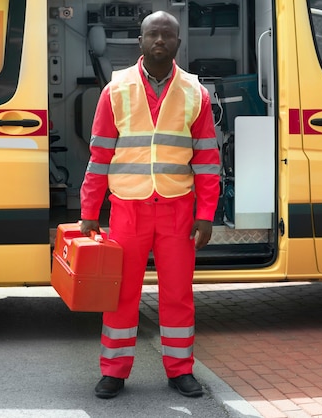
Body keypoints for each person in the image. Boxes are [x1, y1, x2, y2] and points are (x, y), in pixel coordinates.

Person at [80, 10, 220, 399]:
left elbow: (208, 159)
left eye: (167, 35)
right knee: (121, 294)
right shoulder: (117, 89)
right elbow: (99, 156)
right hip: (128, 208)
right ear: (140, 42)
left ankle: (180, 371)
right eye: (152, 35)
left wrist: (205, 215)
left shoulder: (195, 93)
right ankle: (114, 371)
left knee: (178, 294)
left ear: (178, 43)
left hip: (178, 209)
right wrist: (89, 213)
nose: (159, 41)